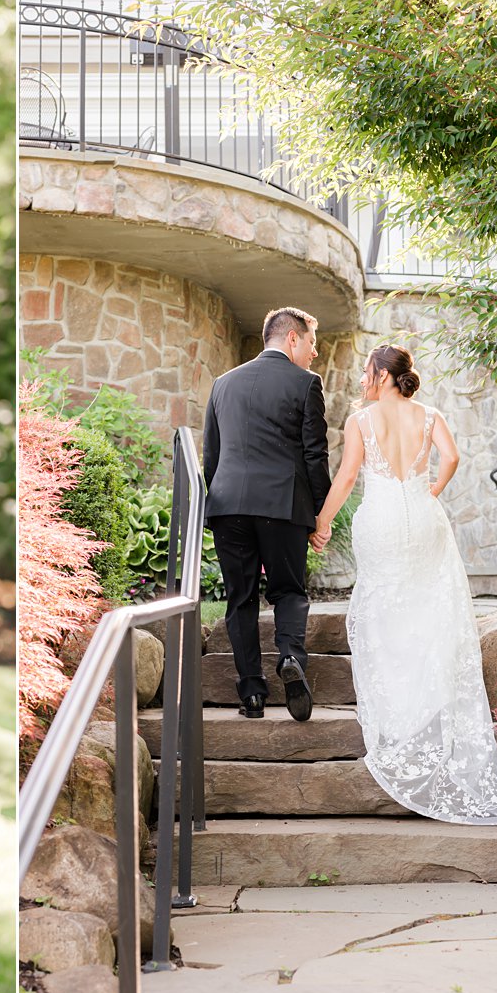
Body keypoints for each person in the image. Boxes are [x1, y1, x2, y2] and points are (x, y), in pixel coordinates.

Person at [312, 345, 497, 825]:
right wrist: (430, 492)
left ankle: (398, 714)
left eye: (366, 370)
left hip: (379, 520)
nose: (362, 377)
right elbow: (454, 457)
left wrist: (321, 523)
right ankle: (429, 702)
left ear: (382, 374)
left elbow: (345, 479)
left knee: (384, 609)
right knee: (428, 606)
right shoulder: (429, 414)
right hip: (424, 517)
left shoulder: (360, 421)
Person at [202, 305, 331, 723]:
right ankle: (291, 658)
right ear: (292, 338)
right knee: (289, 591)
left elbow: (212, 456)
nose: (314, 353)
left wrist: (222, 499)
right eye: (311, 342)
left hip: (228, 506)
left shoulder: (222, 384)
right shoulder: (306, 383)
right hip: (282, 506)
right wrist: (319, 515)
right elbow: (315, 457)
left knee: (240, 599)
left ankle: (252, 695)